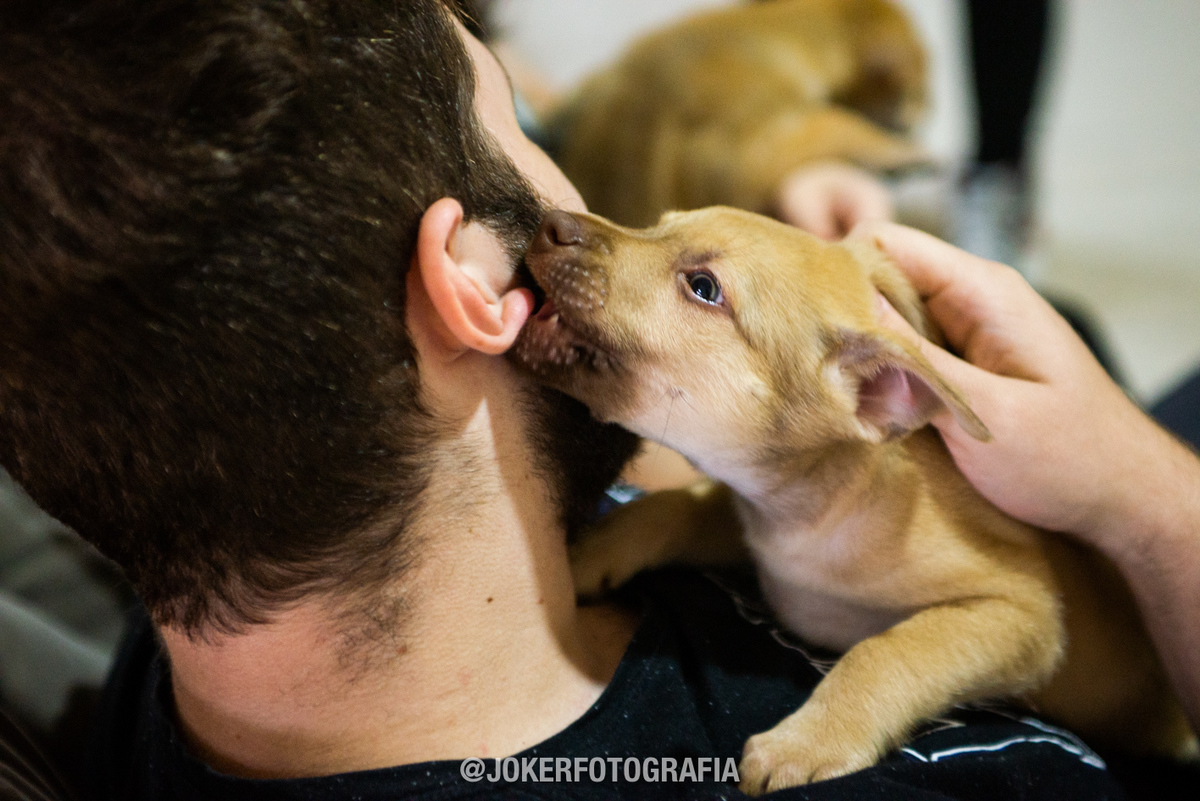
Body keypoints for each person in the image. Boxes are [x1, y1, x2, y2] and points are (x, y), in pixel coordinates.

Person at [0, 2, 1177, 800]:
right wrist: (1147, 495)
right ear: (472, 284)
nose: (569, 198)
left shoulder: (183, 612)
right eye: (518, 123)